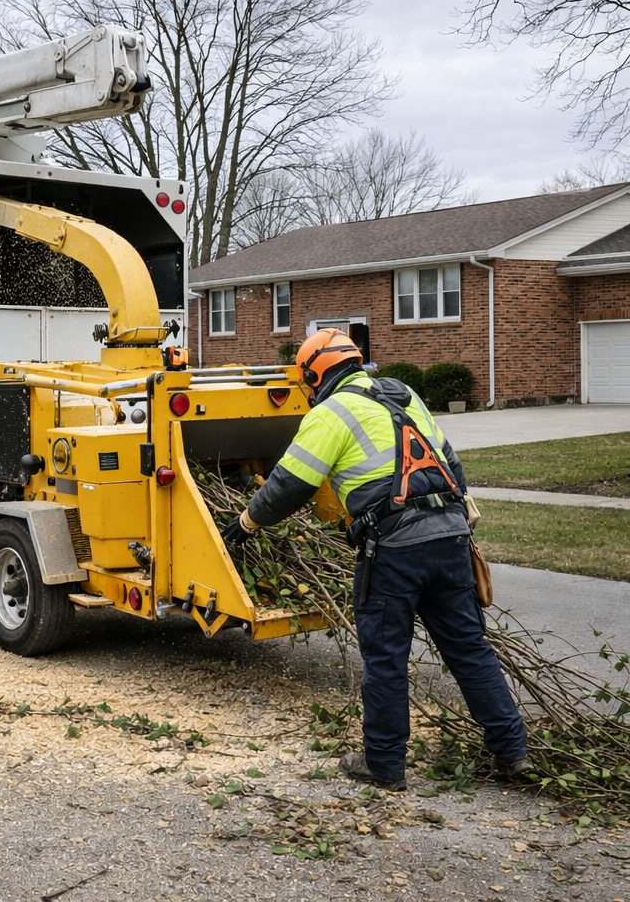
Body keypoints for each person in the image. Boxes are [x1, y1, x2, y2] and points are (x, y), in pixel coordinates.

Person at [222, 328, 530, 791]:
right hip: (450, 536)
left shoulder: (332, 412)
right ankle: (513, 752)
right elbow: (449, 460)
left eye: (307, 383)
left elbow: (288, 486)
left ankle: (384, 763)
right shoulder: (406, 394)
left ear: (314, 375)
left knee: (386, 659)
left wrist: (245, 524)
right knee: (469, 649)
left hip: (394, 548)